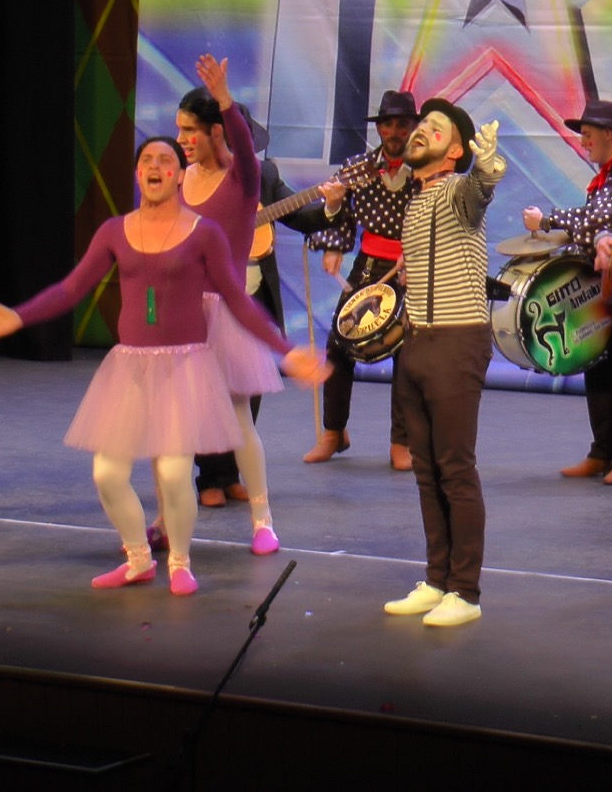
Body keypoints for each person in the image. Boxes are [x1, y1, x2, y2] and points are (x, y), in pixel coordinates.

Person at [0, 136, 328, 595]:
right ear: (138, 174)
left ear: (179, 175)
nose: (155, 166)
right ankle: (138, 558)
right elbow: (71, 288)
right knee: (107, 474)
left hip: (184, 367)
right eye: (147, 160)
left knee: (175, 475)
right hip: (131, 368)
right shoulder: (115, 231)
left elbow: (238, 301)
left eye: (165, 160)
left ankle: (180, 562)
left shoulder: (203, 233)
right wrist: (18, 316)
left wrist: (286, 350)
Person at [380, 100, 505, 629]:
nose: (420, 131)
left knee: (455, 467)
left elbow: (479, 191)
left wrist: (487, 166)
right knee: (426, 469)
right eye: (421, 125)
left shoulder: (455, 189)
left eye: (435, 129)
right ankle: (437, 579)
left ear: (454, 150)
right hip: (418, 341)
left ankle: (466, 591)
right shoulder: (416, 200)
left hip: (457, 341)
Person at [160, 55, 285, 552]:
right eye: (179, 130)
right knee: (172, 427)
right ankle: (167, 521)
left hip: (224, 315)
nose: (182, 139)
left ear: (216, 131)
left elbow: (247, 152)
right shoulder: (178, 178)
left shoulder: (242, 178)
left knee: (238, 422)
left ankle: (262, 521)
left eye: (191, 129)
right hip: (180, 315)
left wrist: (226, 99)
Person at [193, 103, 335, 500]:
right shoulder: (195, 179)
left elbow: (301, 216)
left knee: (246, 389)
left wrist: (331, 204)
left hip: (251, 295)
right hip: (206, 297)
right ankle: (210, 477)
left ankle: (231, 473)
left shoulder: (264, 175)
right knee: (209, 388)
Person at [523, 99, 612, 486]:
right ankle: (603, 450)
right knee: (597, 363)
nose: (583, 141)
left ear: (609, 134)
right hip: (607, 286)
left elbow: (597, 218)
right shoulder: (608, 175)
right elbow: (599, 223)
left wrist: (547, 219)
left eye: (588, 134)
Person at [304, 88, 420, 468]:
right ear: (379, 129)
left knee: (407, 352)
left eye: (401, 125)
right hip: (369, 265)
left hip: (411, 269)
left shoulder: (426, 167)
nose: (394, 132)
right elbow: (341, 212)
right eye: (388, 125)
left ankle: (401, 441)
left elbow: (438, 216)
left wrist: (416, 249)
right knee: (340, 344)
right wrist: (335, 243)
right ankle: (334, 431)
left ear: (413, 127)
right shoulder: (359, 166)